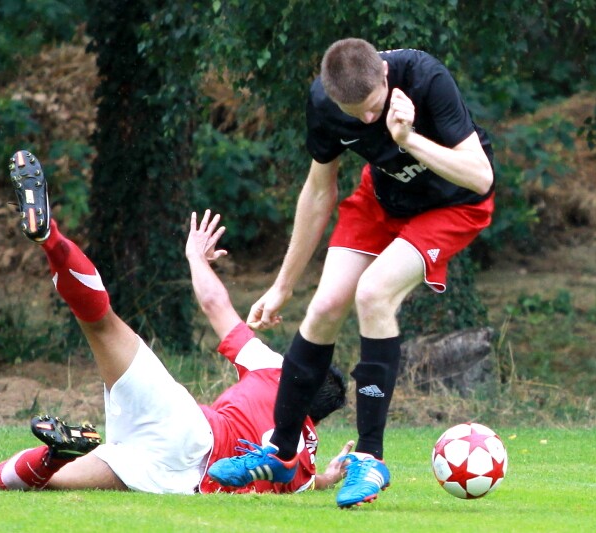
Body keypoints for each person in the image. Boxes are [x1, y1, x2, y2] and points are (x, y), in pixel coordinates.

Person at [207, 38, 495, 508]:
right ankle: (280, 453)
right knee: (323, 307)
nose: (366, 120)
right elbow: (319, 190)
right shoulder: (324, 102)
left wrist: (408, 139)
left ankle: (370, 459)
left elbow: (481, 177)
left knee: (373, 293)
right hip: (382, 199)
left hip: (453, 205)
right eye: (353, 112)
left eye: (373, 108)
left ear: (385, 74)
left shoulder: (425, 78)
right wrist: (282, 285)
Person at [0, 149, 351, 494]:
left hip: (190, 430)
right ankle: (55, 457)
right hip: (180, 481)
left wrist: (196, 258)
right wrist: (329, 477)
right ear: (318, 418)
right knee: (11, 481)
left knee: (101, 322)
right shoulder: (303, 465)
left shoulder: (275, 371)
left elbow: (215, 305)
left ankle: (49, 237)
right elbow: (307, 480)